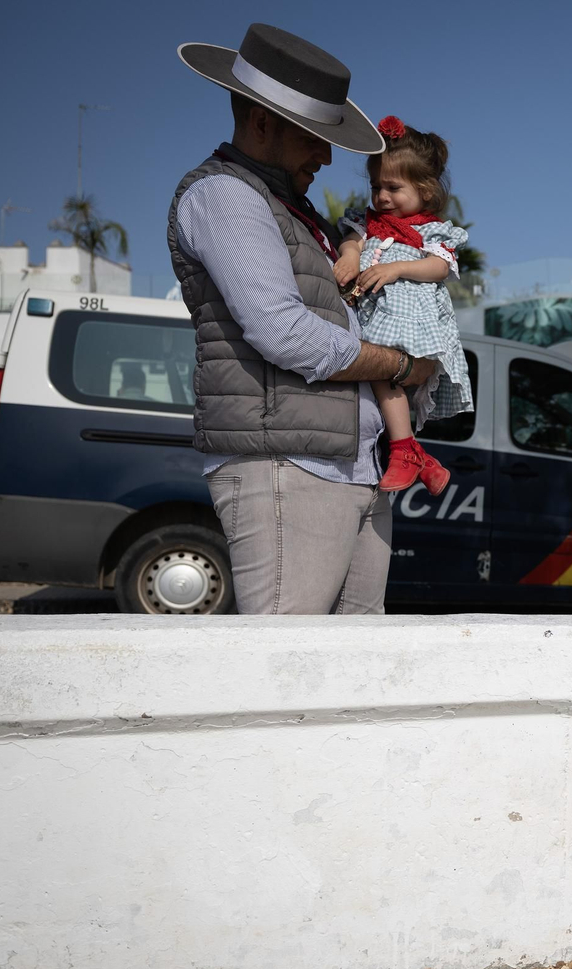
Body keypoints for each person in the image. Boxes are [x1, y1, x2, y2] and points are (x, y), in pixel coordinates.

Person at [170, 24, 437, 615]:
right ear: (262, 123)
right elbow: (285, 332)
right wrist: (401, 365)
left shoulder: (287, 206)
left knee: (348, 657)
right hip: (289, 466)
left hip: (343, 466)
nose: (327, 155)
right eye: (314, 137)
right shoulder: (226, 196)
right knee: (284, 658)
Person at [333, 114, 472, 495]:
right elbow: (352, 240)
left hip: (411, 320)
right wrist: (349, 255)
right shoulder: (368, 223)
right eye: (376, 186)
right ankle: (416, 456)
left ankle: (405, 448)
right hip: (376, 315)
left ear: (425, 190)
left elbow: (440, 267)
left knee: (383, 370)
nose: (381, 196)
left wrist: (396, 269)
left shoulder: (432, 231)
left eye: (393, 187)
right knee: (379, 382)